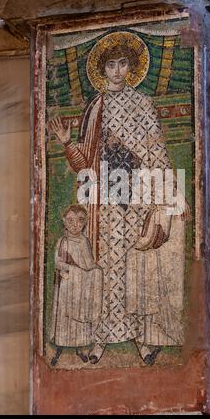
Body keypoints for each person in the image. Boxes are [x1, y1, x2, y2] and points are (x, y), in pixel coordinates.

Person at [50, 32, 189, 365]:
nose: (116, 71)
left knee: (137, 267)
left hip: (138, 197)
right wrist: (69, 142)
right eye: (110, 65)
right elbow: (84, 163)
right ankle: (102, 338)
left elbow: (156, 152)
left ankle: (142, 337)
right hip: (107, 201)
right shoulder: (96, 107)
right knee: (108, 268)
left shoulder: (143, 104)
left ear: (132, 67)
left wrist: (168, 198)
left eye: (123, 63)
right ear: (102, 69)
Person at [50, 204, 103, 366]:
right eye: (71, 221)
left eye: (80, 221)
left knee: (79, 321)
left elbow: (89, 263)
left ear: (85, 223)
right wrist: (72, 270)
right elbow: (58, 263)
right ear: (65, 222)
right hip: (67, 288)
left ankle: (79, 348)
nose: (75, 225)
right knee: (65, 319)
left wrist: (95, 271)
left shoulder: (84, 241)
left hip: (81, 288)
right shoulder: (63, 241)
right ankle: (59, 349)